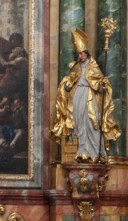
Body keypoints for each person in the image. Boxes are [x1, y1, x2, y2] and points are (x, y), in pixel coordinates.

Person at [50, 29, 120, 162]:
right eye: (79, 53)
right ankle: (79, 152)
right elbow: (70, 79)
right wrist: (67, 86)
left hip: (89, 96)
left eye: (82, 53)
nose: (80, 55)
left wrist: (101, 87)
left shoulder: (93, 66)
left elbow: (99, 81)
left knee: (91, 122)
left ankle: (93, 153)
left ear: (86, 53)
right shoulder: (76, 66)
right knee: (76, 121)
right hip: (77, 95)